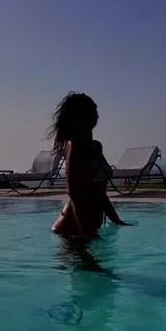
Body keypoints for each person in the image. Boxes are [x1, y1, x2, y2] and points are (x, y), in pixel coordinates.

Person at [48, 92, 128, 240]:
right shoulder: (74, 148)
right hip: (71, 229)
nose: (97, 114)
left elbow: (99, 192)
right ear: (82, 116)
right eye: (93, 110)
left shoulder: (95, 147)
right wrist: (88, 235)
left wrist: (117, 220)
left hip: (84, 227)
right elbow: (74, 194)